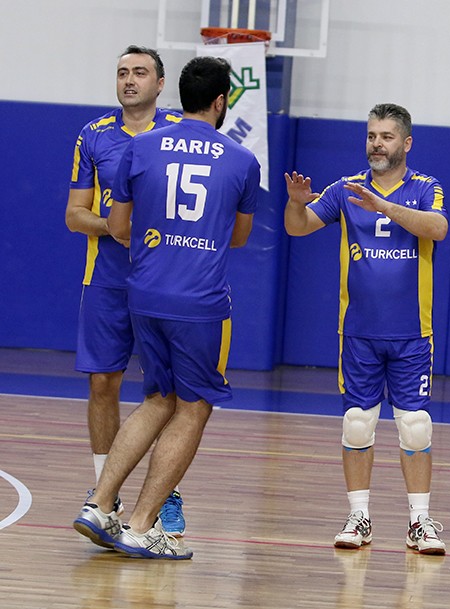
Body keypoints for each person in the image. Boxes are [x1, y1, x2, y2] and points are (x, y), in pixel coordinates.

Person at [73, 55, 260, 559]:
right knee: (193, 407)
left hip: (143, 291)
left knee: (157, 399)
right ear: (221, 101)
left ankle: (99, 504)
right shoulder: (242, 160)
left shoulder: (142, 146)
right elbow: (239, 237)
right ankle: (140, 526)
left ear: (175, 92)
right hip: (199, 300)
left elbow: (117, 227)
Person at [284, 103, 449, 555]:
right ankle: (359, 516)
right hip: (358, 333)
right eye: (372, 135)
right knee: (357, 425)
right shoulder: (345, 189)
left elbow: (437, 228)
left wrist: (385, 206)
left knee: (415, 427)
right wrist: (295, 203)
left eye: (387, 136)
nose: (377, 144)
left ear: (406, 143)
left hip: (412, 333)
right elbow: (298, 228)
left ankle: (419, 521)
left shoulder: (425, 187)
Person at [65, 45, 186, 535]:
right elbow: (75, 215)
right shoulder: (93, 135)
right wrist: (116, 229)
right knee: (102, 383)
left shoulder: (181, 132)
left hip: (167, 280)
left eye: (139, 72)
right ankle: (105, 494)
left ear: (160, 83)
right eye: (122, 73)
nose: (129, 80)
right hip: (107, 279)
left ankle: (166, 495)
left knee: (166, 392)